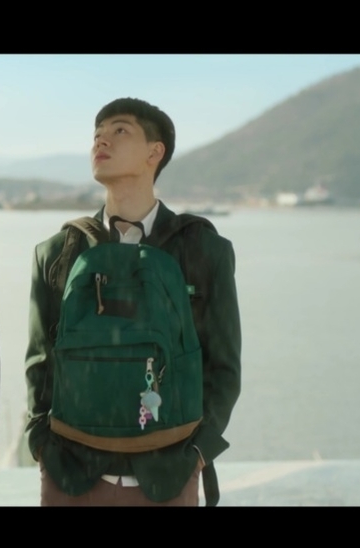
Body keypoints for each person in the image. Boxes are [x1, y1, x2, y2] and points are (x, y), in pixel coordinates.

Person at [25, 97, 241, 506]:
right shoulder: (57, 253)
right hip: (70, 473)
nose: (101, 140)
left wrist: (198, 453)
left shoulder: (203, 250)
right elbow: (40, 362)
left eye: (119, 130)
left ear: (154, 152)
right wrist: (41, 444)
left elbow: (223, 366)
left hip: (168, 475)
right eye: (97, 134)